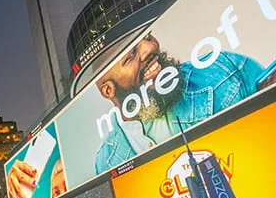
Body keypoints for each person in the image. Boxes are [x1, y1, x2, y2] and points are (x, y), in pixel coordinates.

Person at [92, 32, 264, 172]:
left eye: (148, 36)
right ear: (108, 90)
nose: (150, 47)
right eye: (130, 56)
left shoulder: (224, 69)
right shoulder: (107, 162)